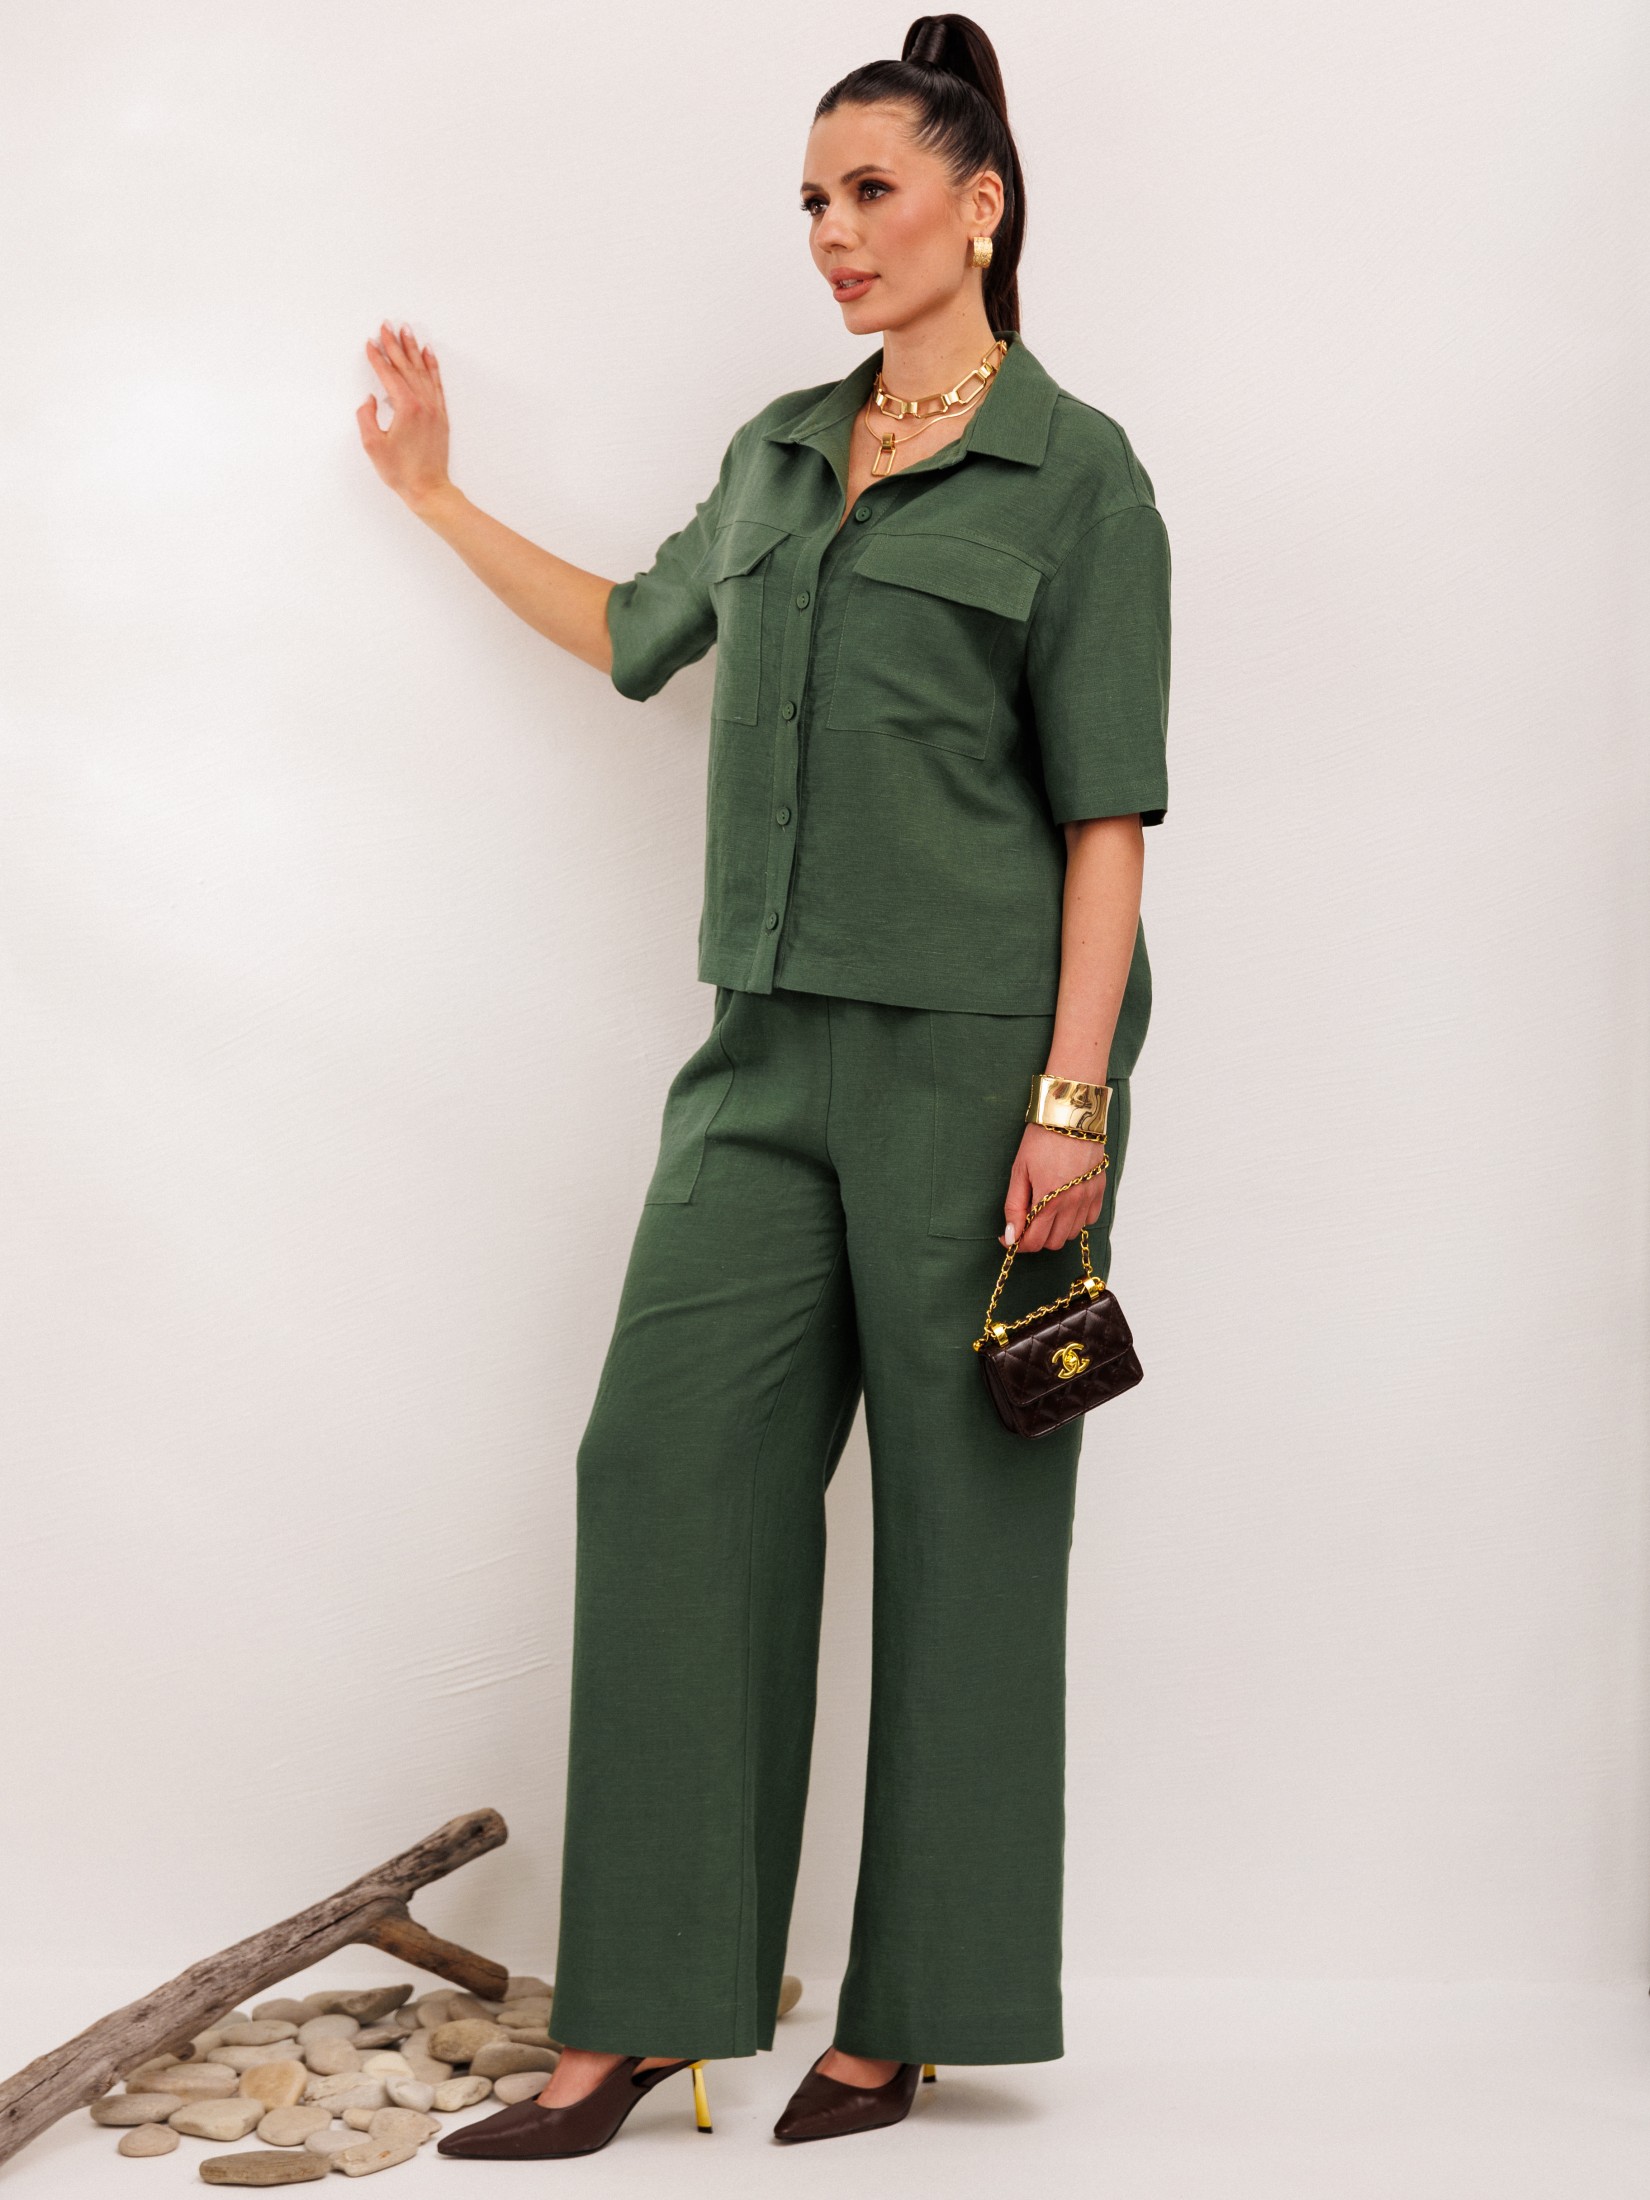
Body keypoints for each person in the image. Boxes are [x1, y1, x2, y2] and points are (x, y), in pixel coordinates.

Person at [358, 11, 1170, 2159]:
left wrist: (1071, 1104)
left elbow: (1106, 820)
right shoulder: (782, 453)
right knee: (664, 1473)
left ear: (978, 206)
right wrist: (435, 496)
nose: (831, 231)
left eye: (869, 191)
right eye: (810, 199)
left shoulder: (1078, 475)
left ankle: (914, 2014)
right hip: (759, 1056)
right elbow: (638, 631)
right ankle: (644, 2010)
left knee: (965, 1531)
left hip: (983, 1067)